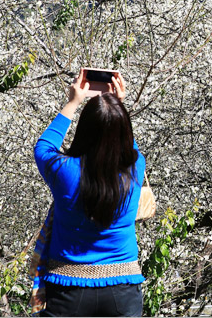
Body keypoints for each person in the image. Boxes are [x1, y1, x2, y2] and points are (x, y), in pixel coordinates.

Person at [34, 71, 145, 316]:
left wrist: (73, 102)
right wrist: (117, 108)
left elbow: (43, 147)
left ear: (84, 131)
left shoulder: (64, 172)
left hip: (68, 289)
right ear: (123, 131)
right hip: (124, 289)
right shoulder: (136, 169)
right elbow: (127, 145)